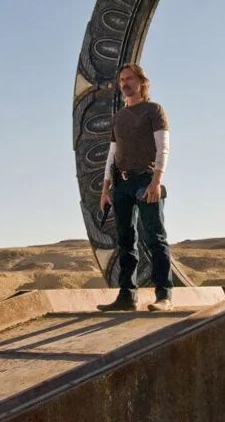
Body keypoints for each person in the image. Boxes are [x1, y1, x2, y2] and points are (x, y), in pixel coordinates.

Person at [96, 63, 174, 312]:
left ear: (142, 82)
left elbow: (163, 147)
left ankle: (164, 296)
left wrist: (156, 181)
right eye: (122, 80)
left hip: (146, 180)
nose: (125, 83)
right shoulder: (118, 117)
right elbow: (112, 154)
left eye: (129, 78)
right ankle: (127, 296)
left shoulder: (153, 110)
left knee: (155, 237)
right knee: (126, 241)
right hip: (122, 184)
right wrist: (105, 189)